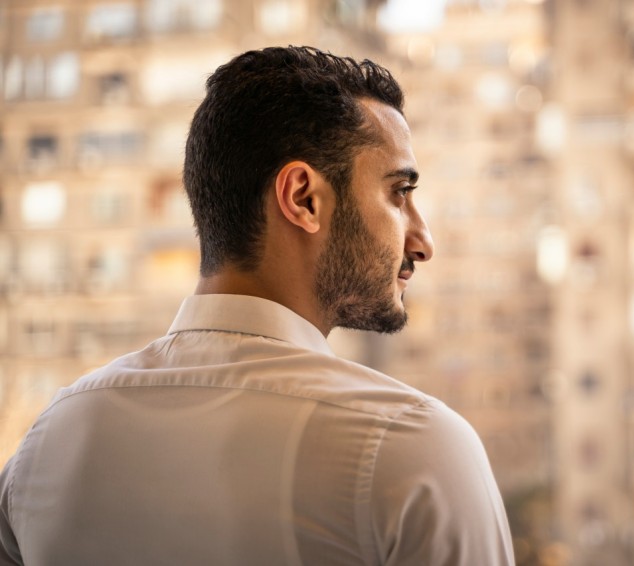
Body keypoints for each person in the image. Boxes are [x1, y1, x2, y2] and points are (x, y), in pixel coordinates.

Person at [0, 46, 515, 565]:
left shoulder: (48, 444)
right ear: (303, 198)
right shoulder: (414, 446)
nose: (422, 240)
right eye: (399, 193)